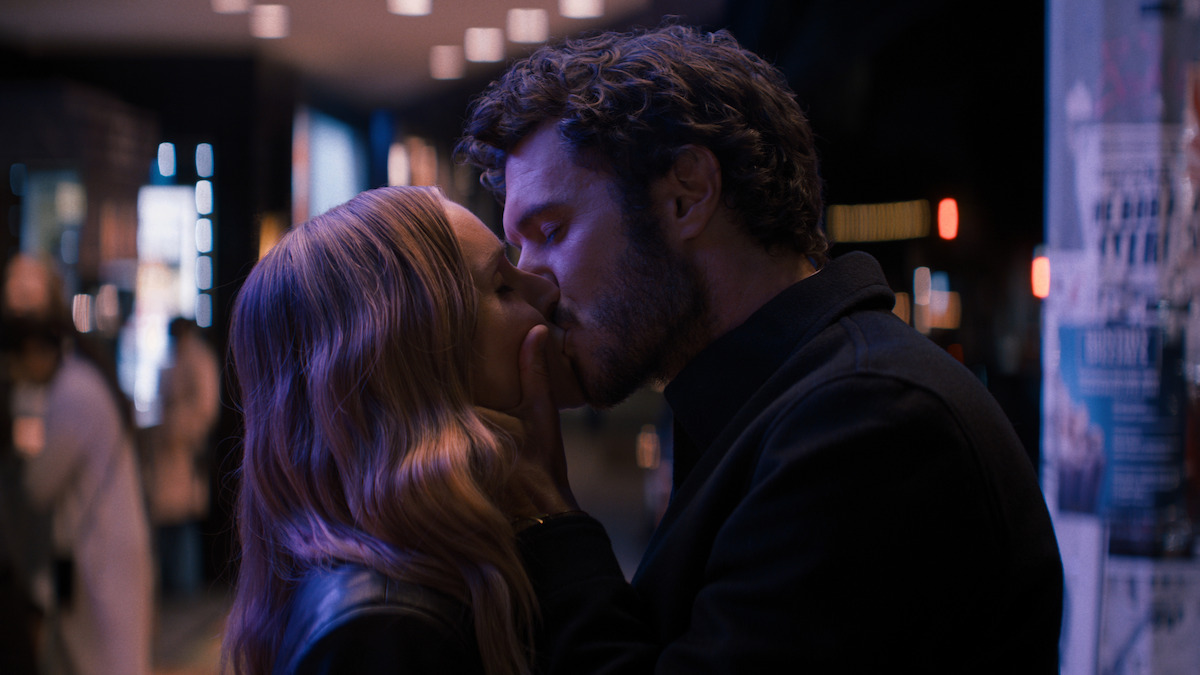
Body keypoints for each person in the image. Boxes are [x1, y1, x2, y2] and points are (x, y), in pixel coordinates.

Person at [455, 23, 1066, 673]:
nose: (534, 284)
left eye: (550, 231)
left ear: (687, 193)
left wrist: (549, 512)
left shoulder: (868, 419)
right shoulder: (782, 403)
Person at [220, 185, 585, 675]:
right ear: (408, 366)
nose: (545, 291)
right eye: (501, 286)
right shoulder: (384, 629)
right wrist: (557, 520)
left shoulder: (440, 561)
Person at [1, 253, 153, 675]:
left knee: (104, 660)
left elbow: (36, 484)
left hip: (96, 558)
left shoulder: (71, 390)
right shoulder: (81, 378)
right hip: (84, 554)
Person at [148, 316, 220, 597]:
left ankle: (185, 587)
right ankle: (174, 585)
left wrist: (184, 430)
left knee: (184, 519)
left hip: (186, 449)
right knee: (169, 521)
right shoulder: (171, 360)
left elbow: (206, 407)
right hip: (168, 448)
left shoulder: (198, 359)